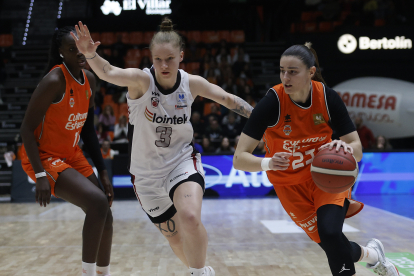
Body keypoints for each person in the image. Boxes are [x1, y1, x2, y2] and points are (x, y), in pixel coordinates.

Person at [72, 19, 253, 276]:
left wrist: (260, 119)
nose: (164, 65)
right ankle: (199, 270)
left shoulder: (192, 84)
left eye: (170, 58)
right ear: (151, 58)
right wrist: (90, 54)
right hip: (146, 176)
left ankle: (199, 273)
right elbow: (108, 72)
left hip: (181, 162)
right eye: (158, 59)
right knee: (176, 239)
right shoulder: (141, 82)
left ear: (181, 56)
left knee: (189, 216)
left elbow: (226, 99)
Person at [233, 43, 399, 276]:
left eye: (293, 71)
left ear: (310, 72)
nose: (285, 77)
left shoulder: (327, 98)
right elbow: (239, 159)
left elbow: (357, 149)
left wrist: (344, 148)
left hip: (325, 177)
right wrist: (267, 162)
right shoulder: (272, 102)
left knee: (330, 233)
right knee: (332, 244)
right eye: (282, 71)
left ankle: (372, 258)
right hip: (289, 186)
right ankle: (373, 255)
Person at [20, 26, 114, 276]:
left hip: (70, 153)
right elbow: (26, 130)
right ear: (61, 53)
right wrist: (40, 176)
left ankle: (103, 273)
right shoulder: (54, 81)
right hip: (42, 157)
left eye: (80, 47)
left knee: (105, 211)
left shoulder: (90, 80)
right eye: (71, 49)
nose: (79, 53)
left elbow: (88, 131)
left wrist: (102, 171)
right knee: (96, 203)